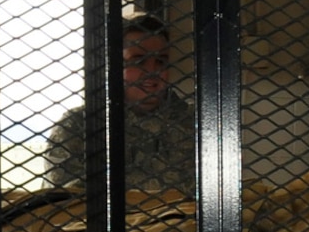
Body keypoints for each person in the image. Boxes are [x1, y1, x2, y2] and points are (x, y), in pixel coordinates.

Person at [46, 12, 197, 192]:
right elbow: (63, 205)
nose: (152, 71)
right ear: (112, 65)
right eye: (139, 61)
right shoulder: (78, 127)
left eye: (160, 61)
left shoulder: (196, 124)